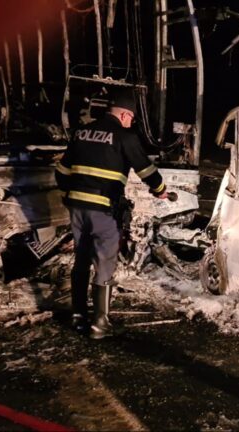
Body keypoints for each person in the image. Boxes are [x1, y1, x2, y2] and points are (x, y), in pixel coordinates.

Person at [55, 88, 174, 339]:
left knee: (81, 259)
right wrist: (161, 191)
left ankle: (78, 316)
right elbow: (147, 171)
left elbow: (62, 172)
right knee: (104, 262)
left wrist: (73, 195)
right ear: (124, 115)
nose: (131, 122)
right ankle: (99, 324)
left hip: (77, 206)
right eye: (131, 118)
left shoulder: (81, 132)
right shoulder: (124, 136)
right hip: (104, 209)